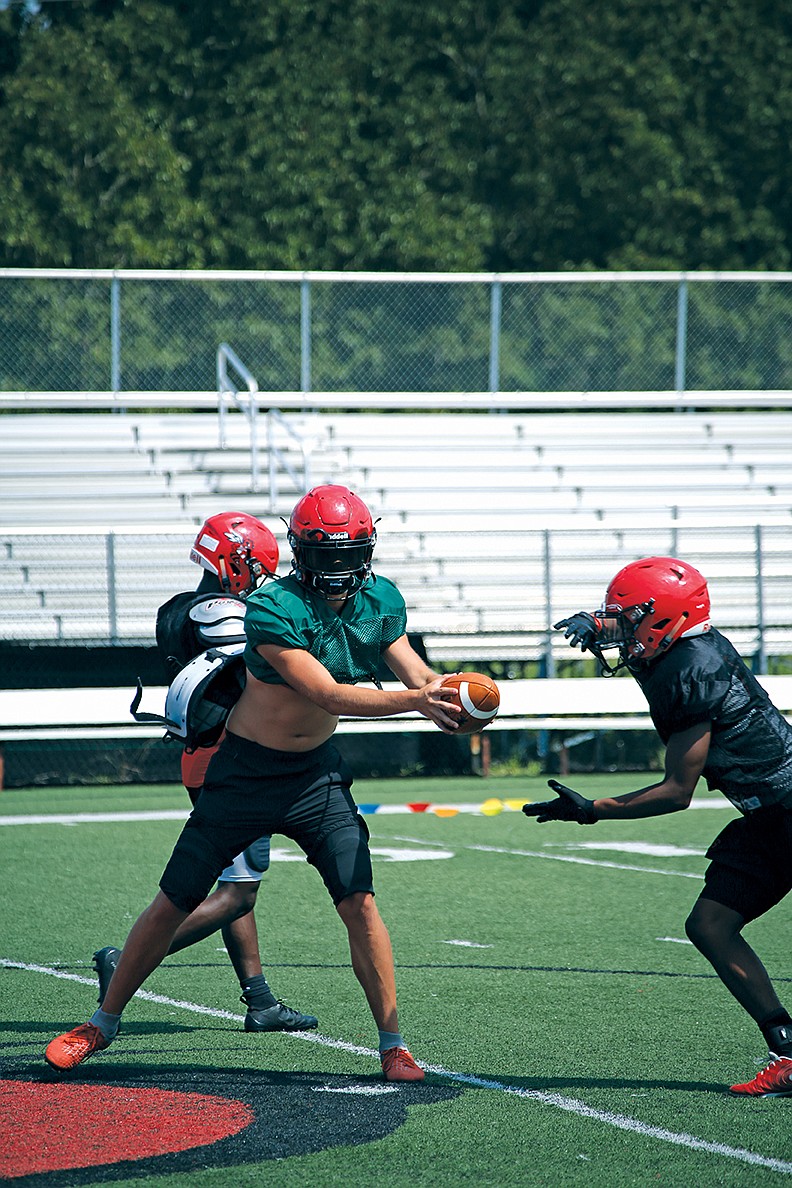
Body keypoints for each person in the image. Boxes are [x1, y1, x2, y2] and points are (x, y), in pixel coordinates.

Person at [46, 485, 461, 1082]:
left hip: (316, 774)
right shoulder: (273, 608)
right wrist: (418, 702)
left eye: (351, 553)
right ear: (298, 551)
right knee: (176, 897)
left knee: (359, 901)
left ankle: (393, 1044)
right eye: (326, 554)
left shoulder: (380, 600)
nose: (340, 568)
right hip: (245, 771)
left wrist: (449, 694)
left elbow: (415, 670)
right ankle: (102, 1022)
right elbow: (328, 693)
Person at [523, 555, 792, 1098]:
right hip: (770, 815)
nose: (618, 629)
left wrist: (591, 809)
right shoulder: (682, 646)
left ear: (664, 618)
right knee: (710, 925)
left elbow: (676, 792)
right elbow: (646, 630)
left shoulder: (692, 669)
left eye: (628, 618)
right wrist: (598, 622)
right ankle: (787, 1048)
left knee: (712, 924)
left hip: (786, 809)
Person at [95, 511, 317, 1034]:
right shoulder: (221, 610)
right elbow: (258, 668)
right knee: (238, 891)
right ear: (235, 561)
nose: (263, 580)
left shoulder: (182, 609)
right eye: (257, 568)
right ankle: (125, 959)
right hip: (232, 761)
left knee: (236, 878)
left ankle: (260, 1000)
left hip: (204, 756)